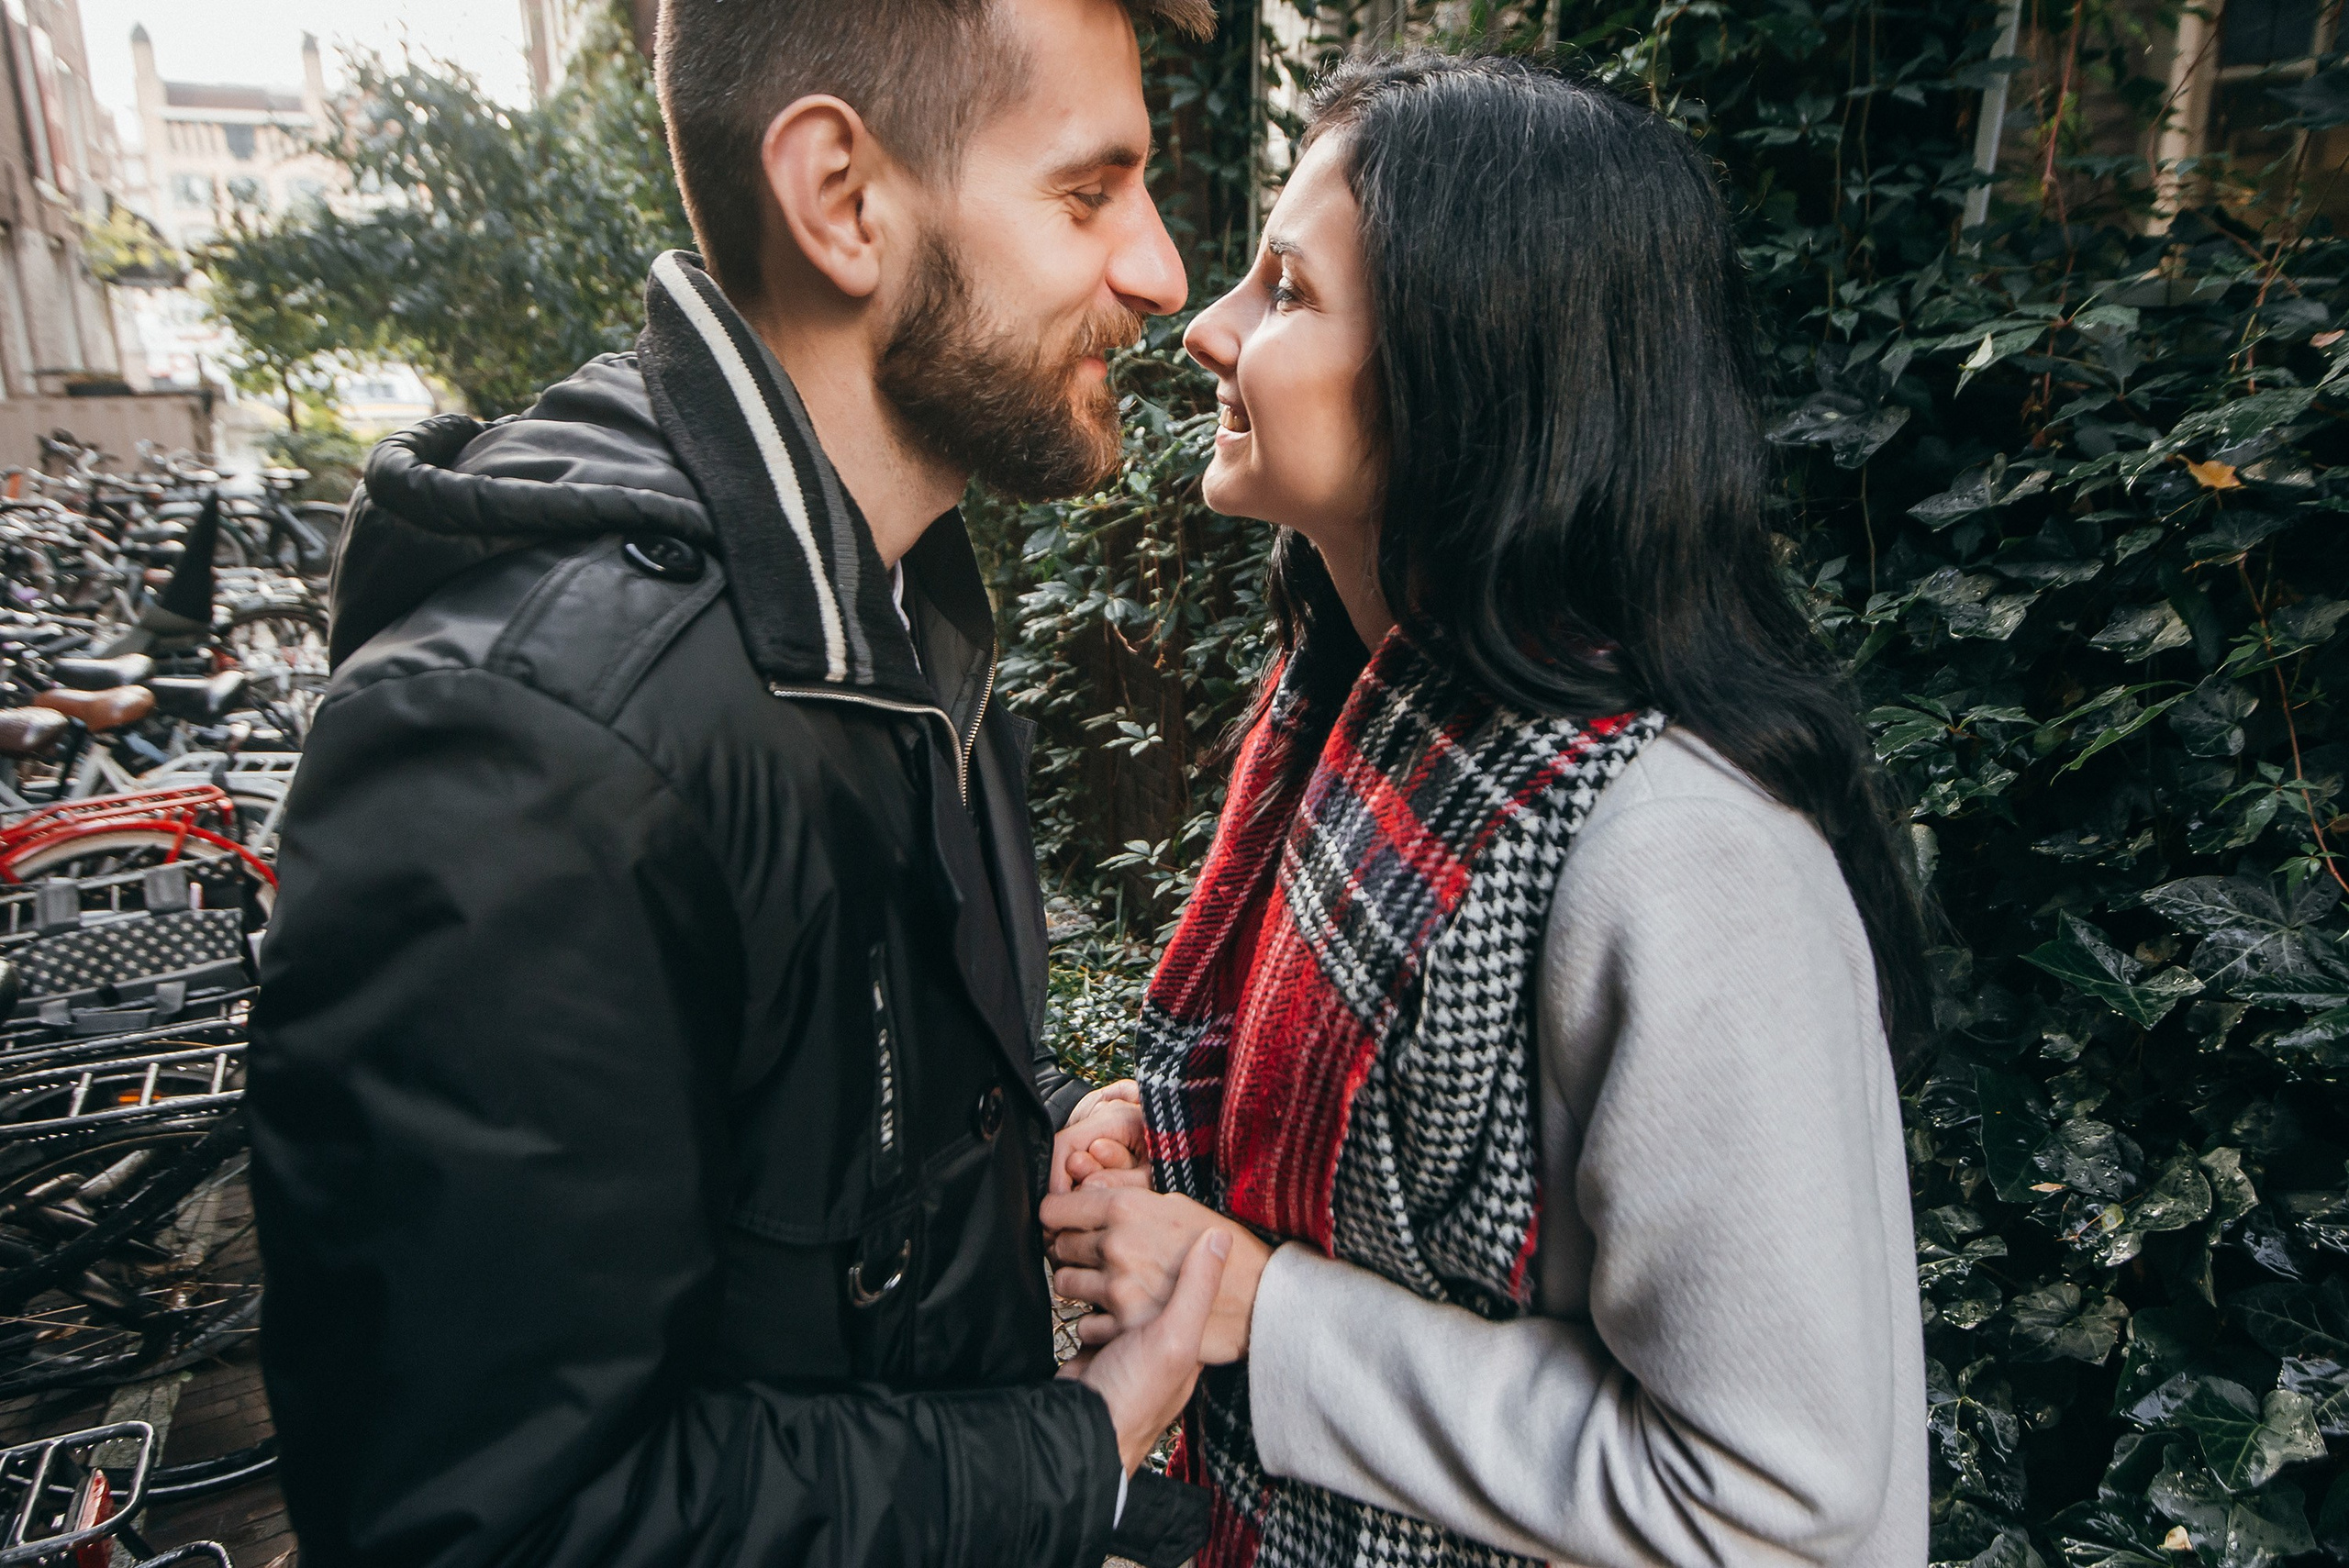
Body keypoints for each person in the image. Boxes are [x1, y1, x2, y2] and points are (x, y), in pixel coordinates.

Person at [247, 3, 1228, 1565]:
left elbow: (779, 1136)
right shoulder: (533, 746)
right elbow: (496, 1521)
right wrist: (1073, 1449)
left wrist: (1017, 1136)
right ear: (842, 198)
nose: (1162, 270)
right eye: (1088, 190)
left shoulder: (896, 619)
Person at [1041, 54, 1933, 1568]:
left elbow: (1777, 1501)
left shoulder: (1682, 849)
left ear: (1469, 372)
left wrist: (1256, 1304)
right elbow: (1373, 1180)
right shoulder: (1368, 726)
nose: (1207, 329)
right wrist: (1177, 1145)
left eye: (1288, 291)